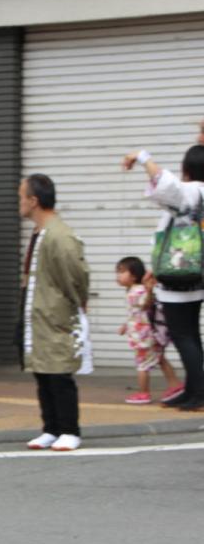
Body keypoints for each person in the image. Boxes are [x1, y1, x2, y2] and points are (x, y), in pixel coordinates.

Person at [122, 146, 204, 411]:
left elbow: (164, 183)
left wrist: (142, 157)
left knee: (183, 336)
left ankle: (199, 394)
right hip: (195, 277)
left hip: (177, 280)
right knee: (191, 335)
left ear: (187, 170)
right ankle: (192, 390)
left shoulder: (191, 191)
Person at [18, 173, 90, 452]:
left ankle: (70, 429)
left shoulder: (59, 235)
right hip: (39, 313)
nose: (19, 203)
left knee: (59, 372)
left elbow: (76, 275)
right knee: (42, 370)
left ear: (33, 201)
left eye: (22, 197)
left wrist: (74, 303)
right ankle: (51, 428)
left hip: (54, 313)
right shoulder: (42, 232)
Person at [115, 256, 181, 405]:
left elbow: (145, 305)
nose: (118, 276)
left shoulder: (137, 291)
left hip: (143, 337)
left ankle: (144, 393)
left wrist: (149, 291)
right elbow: (136, 312)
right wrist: (125, 325)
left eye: (121, 272)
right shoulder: (133, 290)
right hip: (148, 334)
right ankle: (175, 385)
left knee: (142, 365)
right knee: (160, 358)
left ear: (133, 275)